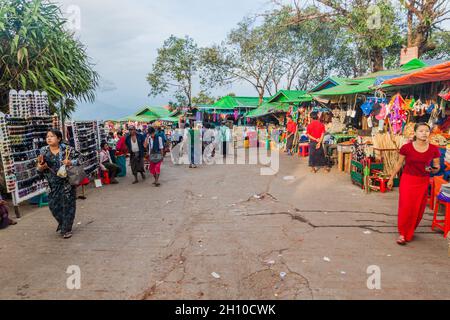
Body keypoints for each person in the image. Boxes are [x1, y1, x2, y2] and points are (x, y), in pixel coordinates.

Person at [388, 123, 441, 245]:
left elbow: (437, 166)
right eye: (421, 131)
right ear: (415, 133)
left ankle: (410, 230)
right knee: (405, 207)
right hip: (408, 180)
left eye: (427, 131)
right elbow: (399, 164)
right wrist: (391, 178)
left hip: (423, 181)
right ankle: (402, 233)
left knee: (418, 209)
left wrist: (433, 169)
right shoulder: (406, 148)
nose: (424, 133)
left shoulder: (434, 149)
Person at [37, 129, 80, 239]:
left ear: (59, 138)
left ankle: (66, 229)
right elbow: (39, 167)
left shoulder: (67, 149)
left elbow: (80, 158)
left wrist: (70, 162)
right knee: (53, 206)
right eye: (47, 136)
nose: (49, 138)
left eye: (52, 136)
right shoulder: (43, 150)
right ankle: (63, 223)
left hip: (67, 183)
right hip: (52, 184)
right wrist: (41, 167)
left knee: (68, 206)